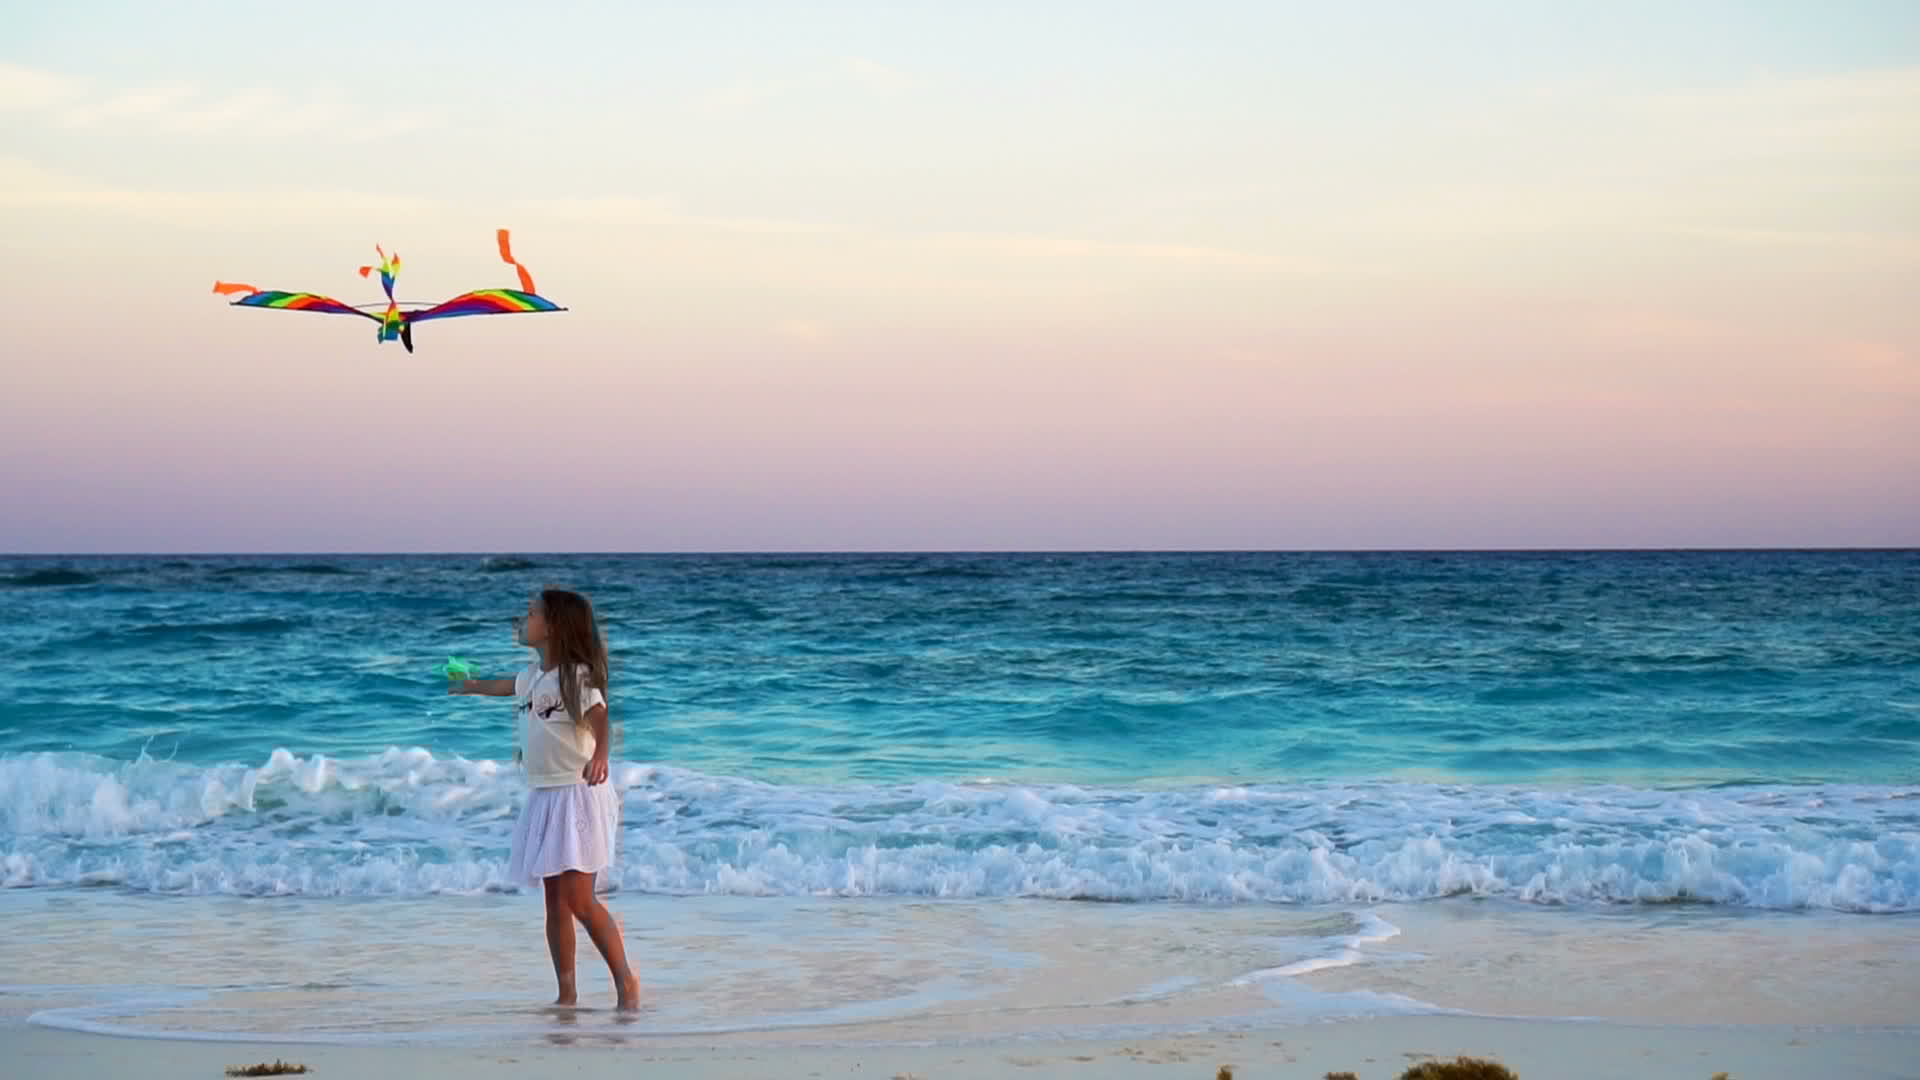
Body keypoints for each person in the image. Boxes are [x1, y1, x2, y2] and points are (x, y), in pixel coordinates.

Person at [451, 587, 640, 1010]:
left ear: (552, 626)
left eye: (531, 613)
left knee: (579, 899)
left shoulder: (575, 675)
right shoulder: (533, 677)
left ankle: (627, 983)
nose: (523, 619)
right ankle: (566, 994)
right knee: (554, 901)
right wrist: (465, 687)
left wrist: (602, 757)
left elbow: (600, 717)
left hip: (579, 791)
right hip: (546, 795)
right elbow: (502, 686)